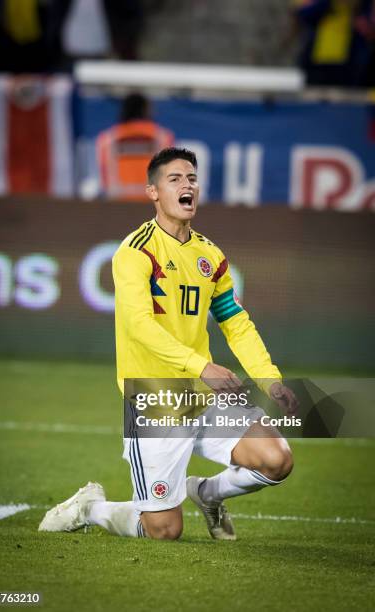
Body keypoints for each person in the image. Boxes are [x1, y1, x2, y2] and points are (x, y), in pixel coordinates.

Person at [39, 147, 298, 541]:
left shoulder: (210, 255)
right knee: (163, 531)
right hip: (154, 396)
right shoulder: (135, 250)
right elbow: (139, 325)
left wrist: (269, 380)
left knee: (276, 460)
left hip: (201, 393)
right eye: (175, 178)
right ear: (153, 192)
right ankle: (91, 507)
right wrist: (202, 367)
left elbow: (235, 322)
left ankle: (206, 493)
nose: (187, 184)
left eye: (192, 178)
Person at [96, 93, 174, 202]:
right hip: (153, 203)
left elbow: (104, 176)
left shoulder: (107, 139)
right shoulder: (163, 137)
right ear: (146, 110)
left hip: (117, 204)